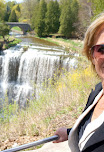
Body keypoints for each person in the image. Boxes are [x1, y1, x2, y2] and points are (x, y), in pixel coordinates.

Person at [53, 13, 104, 152]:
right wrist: (70, 133)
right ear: (92, 55)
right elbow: (94, 131)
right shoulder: (97, 92)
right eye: (102, 49)